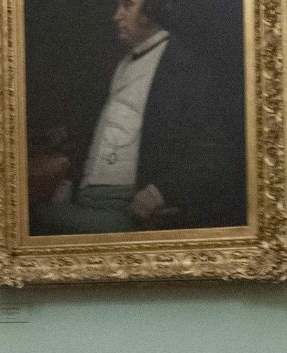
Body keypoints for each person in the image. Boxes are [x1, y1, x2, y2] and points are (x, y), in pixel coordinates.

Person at [32, 0, 245, 235]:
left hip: (129, 209)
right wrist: (70, 183)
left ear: (152, 10)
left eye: (127, 6)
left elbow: (214, 154)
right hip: (84, 198)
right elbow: (99, 133)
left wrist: (159, 193)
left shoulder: (185, 68)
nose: (117, 16)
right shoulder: (119, 63)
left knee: (40, 219)